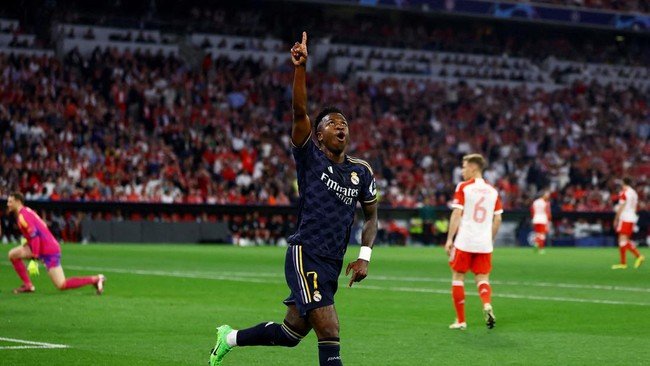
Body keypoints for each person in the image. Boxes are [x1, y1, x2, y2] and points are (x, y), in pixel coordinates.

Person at [209, 32, 378, 366]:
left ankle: (228, 337)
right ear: (319, 134)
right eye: (332, 123)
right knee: (329, 329)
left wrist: (365, 256)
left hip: (331, 261)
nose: (340, 126)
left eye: (343, 123)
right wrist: (300, 68)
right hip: (306, 252)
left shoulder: (362, 172)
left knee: (291, 333)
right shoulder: (311, 158)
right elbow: (299, 111)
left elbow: (371, 216)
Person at [445, 154, 502, 330]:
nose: (462, 171)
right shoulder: (493, 191)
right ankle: (486, 304)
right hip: (484, 242)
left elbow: (456, 214)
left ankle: (461, 321)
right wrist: (489, 238)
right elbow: (498, 219)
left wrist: (449, 239)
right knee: (482, 278)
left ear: (474, 167)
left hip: (465, 241)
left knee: (458, 277)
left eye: (464, 167)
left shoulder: (464, 187)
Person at [6, 192, 105, 294]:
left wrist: (34, 259)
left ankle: (97, 279)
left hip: (48, 250)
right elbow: (42, 225)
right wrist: (29, 242)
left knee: (61, 284)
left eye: (10, 202)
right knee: (13, 255)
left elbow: (35, 236)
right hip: (42, 246)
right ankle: (28, 285)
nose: (8, 204)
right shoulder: (27, 211)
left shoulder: (23, 216)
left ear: (18, 202)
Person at [611, 178, 644, 269]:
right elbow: (635, 206)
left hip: (625, 217)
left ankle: (636, 257)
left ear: (623, 183)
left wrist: (616, 219)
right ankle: (624, 262)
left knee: (622, 240)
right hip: (632, 217)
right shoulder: (634, 193)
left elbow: (621, 207)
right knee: (623, 240)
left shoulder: (624, 193)